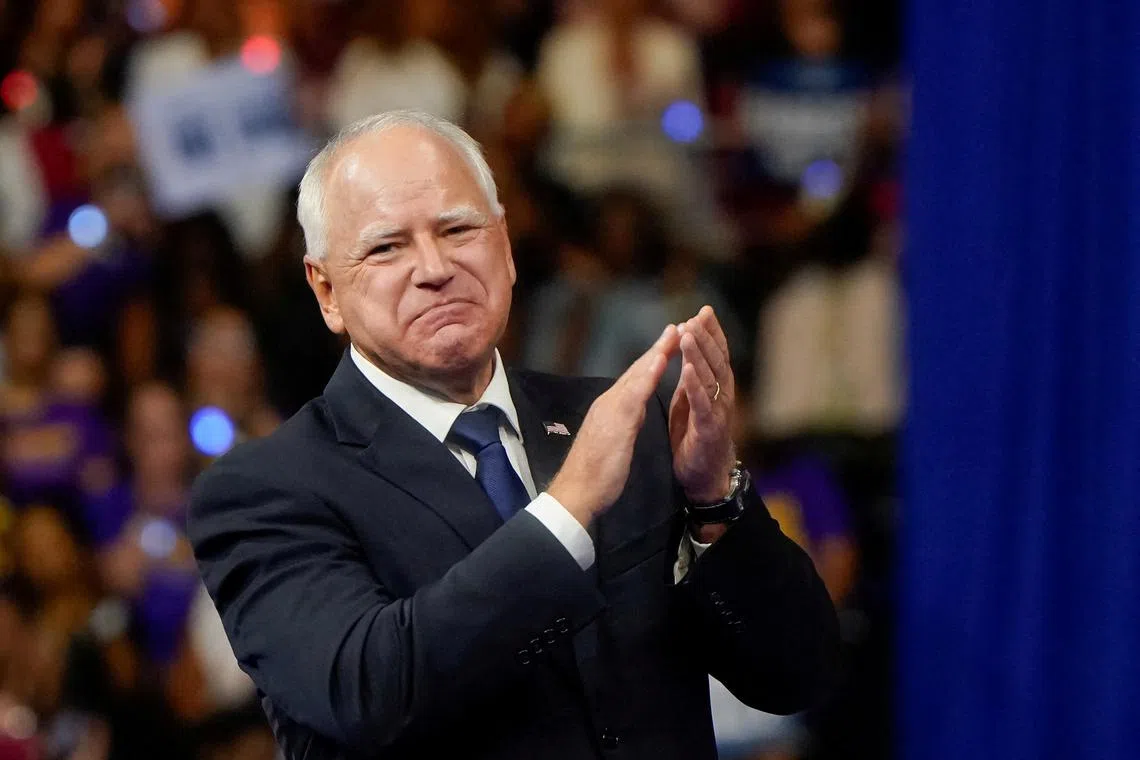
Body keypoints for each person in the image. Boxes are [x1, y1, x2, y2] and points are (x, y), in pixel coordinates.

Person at [187, 110, 839, 760]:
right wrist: (568, 508)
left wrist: (715, 503)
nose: (435, 267)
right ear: (326, 289)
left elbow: (798, 672)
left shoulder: (624, 423)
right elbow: (368, 692)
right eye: (388, 246)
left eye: (457, 229)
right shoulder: (263, 490)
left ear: (502, 244)